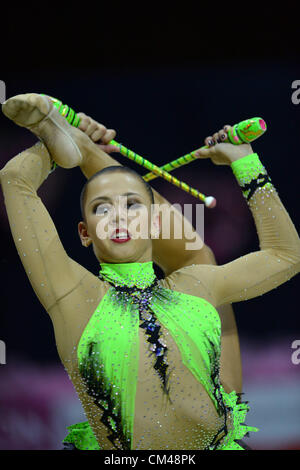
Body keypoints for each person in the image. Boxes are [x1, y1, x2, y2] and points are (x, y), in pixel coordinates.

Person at [1, 94, 299, 450]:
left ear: (156, 221)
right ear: (84, 233)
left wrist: (246, 162)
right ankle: (81, 151)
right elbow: (13, 178)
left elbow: (286, 255)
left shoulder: (196, 284)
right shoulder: (73, 295)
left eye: (131, 206)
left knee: (196, 259)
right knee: (195, 257)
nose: (119, 217)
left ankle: (84, 152)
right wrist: (52, 145)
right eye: (101, 209)